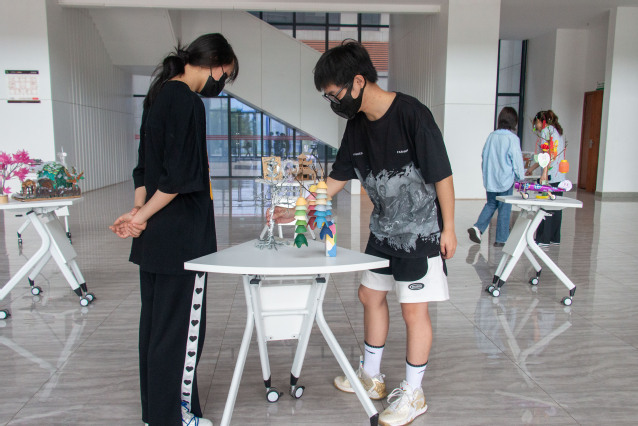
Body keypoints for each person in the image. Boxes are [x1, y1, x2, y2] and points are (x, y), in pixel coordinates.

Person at [272, 40, 456, 426]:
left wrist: (450, 228)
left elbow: (442, 174)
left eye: (334, 94)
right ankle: (371, 376)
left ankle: (414, 394)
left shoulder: (412, 115)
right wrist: (299, 207)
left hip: (420, 233)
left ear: (358, 82)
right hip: (383, 231)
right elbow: (336, 178)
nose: (333, 103)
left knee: (413, 309)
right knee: (369, 294)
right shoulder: (356, 128)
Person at [110, 33, 238, 426]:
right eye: (226, 74)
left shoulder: (157, 95)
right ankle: (177, 418)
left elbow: (144, 169)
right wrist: (140, 217)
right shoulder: (187, 101)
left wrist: (138, 212)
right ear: (214, 62)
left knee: (156, 328)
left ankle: (160, 414)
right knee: (182, 333)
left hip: (156, 239)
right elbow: (178, 178)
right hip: (182, 239)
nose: (222, 82)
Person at [467, 107, 524, 247]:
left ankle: (478, 228)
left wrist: (486, 174)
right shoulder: (512, 139)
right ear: (514, 122)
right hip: (505, 180)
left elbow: (484, 156)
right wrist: (520, 178)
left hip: (490, 180)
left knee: (491, 204)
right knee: (504, 208)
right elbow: (516, 160)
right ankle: (501, 239)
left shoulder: (491, 136)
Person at [525, 110, 566, 246]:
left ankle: (543, 239)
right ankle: (555, 238)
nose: (535, 127)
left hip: (549, 175)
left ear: (540, 121)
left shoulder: (545, 132)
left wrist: (544, 173)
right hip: (559, 175)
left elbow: (546, 155)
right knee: (556, 206)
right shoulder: (557, 132)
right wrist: (531, 169)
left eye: (535, 124)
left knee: (545, 206)